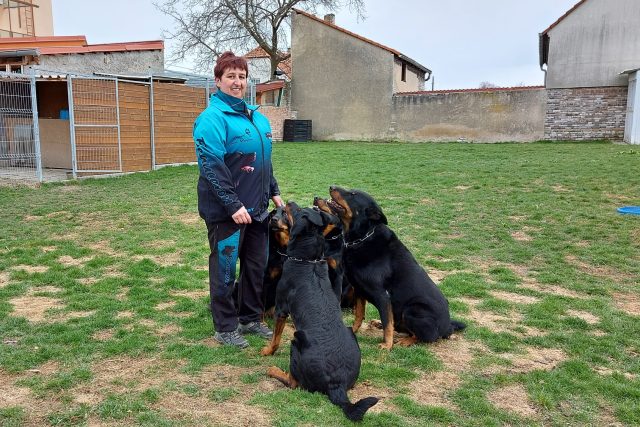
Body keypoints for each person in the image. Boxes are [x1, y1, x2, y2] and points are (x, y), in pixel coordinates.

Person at [193, 51, 283, 348]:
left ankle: (250, 318)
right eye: (230, 76)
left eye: (241, 77)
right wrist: (233, 205)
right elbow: (211, 166)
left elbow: (263, 161)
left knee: (256, 267)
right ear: (217, 81)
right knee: (225, 269)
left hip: (258, 209)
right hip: (227, 212)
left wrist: (273, 190)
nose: (237, 82)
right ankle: (225, 326)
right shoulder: (211, 119)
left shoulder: (257, 117)